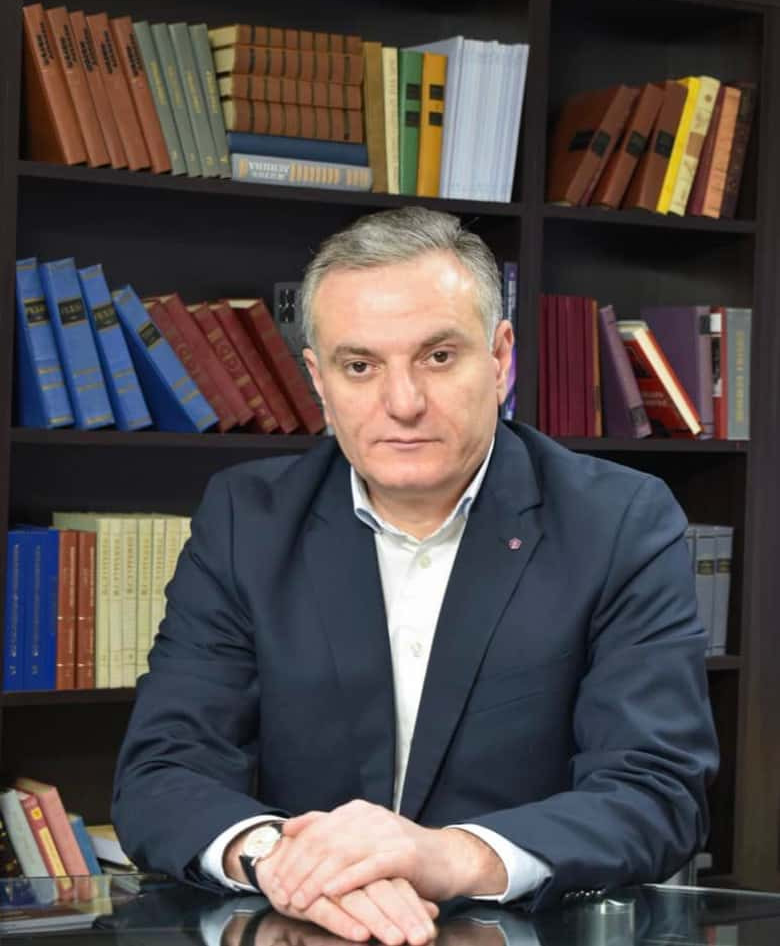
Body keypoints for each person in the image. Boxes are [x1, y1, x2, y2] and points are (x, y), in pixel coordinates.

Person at [113, 206, 719, 945]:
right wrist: (281, 860)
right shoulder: (248, 519)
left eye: (437, 356)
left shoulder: (619, 521)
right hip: (304, 929)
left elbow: (656, 792)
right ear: (319, 380)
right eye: (360, 366)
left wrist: (448, 856)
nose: (402, 403)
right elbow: (162, 771)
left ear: (500, 358)